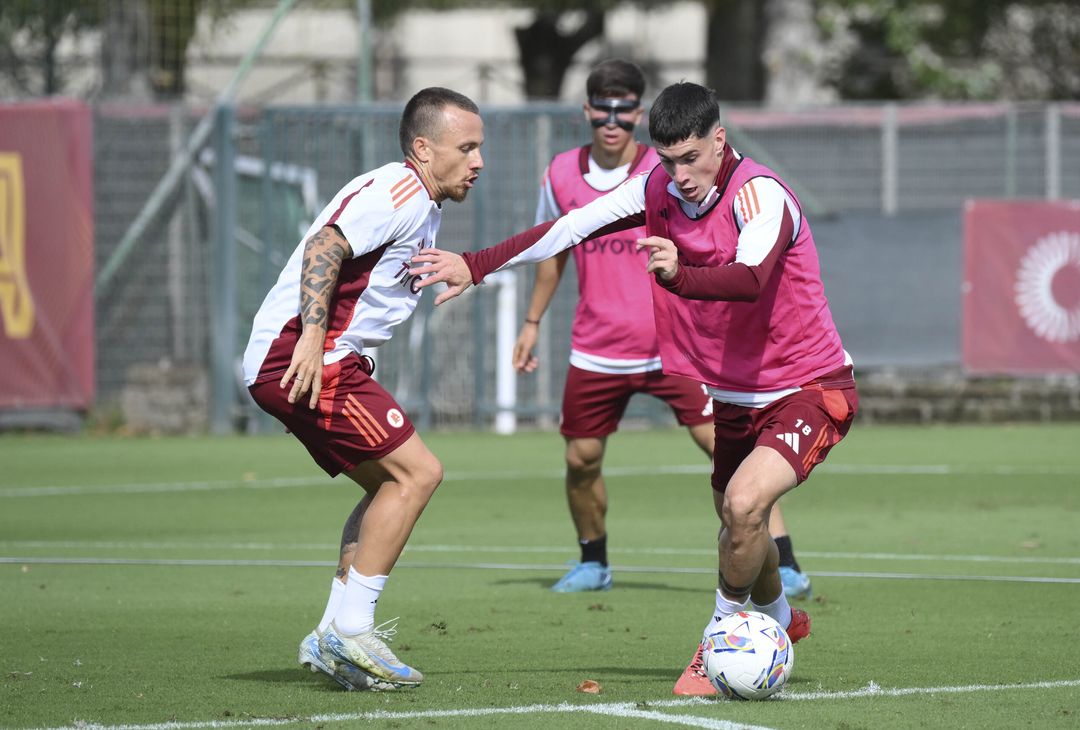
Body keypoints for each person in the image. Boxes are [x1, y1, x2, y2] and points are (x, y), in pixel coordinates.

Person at [410, 82, 857, 696]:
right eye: (667, 159)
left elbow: (750, 279)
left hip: (808, 384)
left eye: (691, 157)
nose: (680, 174)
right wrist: (476, 264)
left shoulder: (761, 196)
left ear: (719, 141)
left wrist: (681, 273)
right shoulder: (657, 186)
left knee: (748, 504)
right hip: (734, 395)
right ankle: (780, 619)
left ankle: (717, 640)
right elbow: (570, 228)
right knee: (735, 520)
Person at [516, 59, 813, 599]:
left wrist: (684, 277)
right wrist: (512, 302)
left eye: (624, 106)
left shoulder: (707, 184)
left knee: (740, 476)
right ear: (586, 111)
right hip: (597, 348)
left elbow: (745, 274)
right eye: (602, 107)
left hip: (673, 349)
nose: (612, 118)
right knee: (582, 459)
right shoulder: (573, 175)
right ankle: (593, 560)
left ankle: (778, 571)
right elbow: (558, 243)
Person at [242, 87, 485, 691]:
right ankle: (351, 630)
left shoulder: (423, 203)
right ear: (424, 149)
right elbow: (326, 243)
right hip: (304, 357)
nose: (479, 161)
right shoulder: (400, 192)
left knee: (388, 488)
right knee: (418, 474)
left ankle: (330, 633)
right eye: (468, 147)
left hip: (316, 357)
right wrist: (313, 336)